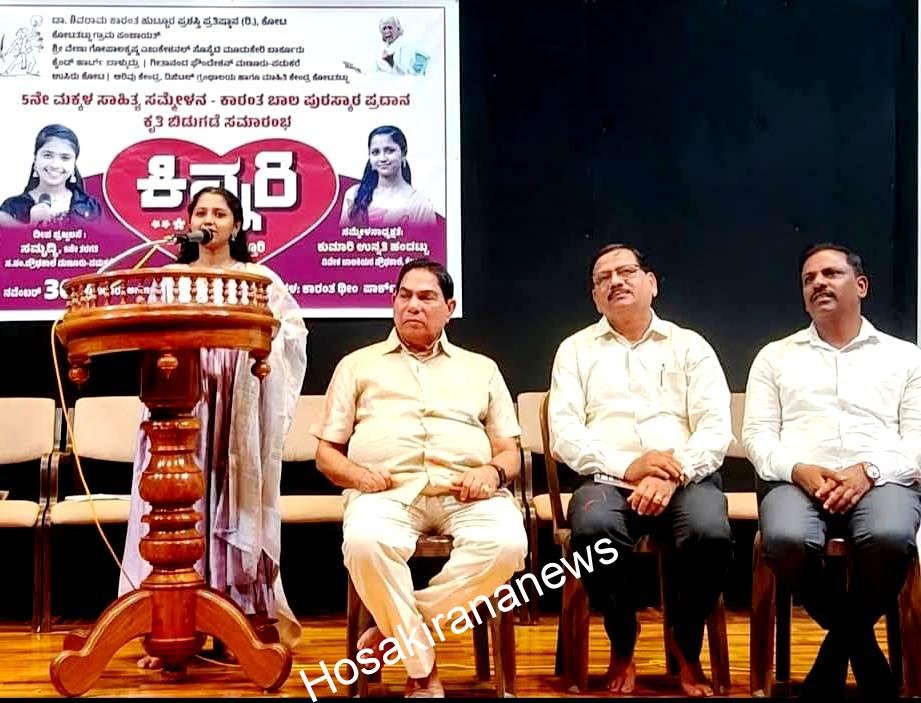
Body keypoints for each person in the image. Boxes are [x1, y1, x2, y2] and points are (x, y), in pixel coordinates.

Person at [311, 257, 527, 698]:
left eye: (427, 297)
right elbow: (326, 455)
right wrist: (358, 475)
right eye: (404, 296)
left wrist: (491, 471)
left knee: (507, 545)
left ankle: (396, 637)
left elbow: (510, 451)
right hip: (386, 493)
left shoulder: (481, 368)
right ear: (393, 302)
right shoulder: (357, 365)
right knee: (365, 542)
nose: (413, 305)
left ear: (449, 308)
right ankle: (421, 668)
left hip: (466, 495)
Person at [118, 186, 308, 669]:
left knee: (231, 496)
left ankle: (235, 622)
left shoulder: (260, 280)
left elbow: (289, 335)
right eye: (200, 212)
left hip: (236, 407)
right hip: (181, 406)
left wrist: (250, 349)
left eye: (219, 213)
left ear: (236, 225)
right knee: (178, 502)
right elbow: (149, 333)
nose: (209, 220)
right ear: (188, 223)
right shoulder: (170, 279)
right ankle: (172, 627)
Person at [548, 243, 733, 697]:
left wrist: (670, 472)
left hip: (685, 478)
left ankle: (685, 643)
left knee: (710, 532)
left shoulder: (690, 346)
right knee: (594, 530)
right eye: (603, 278)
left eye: (626, 271)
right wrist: (628, 466)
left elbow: (715, 428)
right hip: (606, 479)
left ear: (651, 283)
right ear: (595, 297)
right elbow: (565, 433)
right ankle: (622, 637)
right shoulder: (575, 351)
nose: (615, 281)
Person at [742, 243, 921, 698]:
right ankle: (862, 648)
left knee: (889, 537)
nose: (818, 283)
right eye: (809, 279)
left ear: (861, 285)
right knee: (784, 539)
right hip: (798, 481)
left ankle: (834, 655)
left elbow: (918, 440)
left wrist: (870, 470)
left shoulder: (905, 357)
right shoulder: (774, 357)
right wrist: (798, 469)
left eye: (830, 274)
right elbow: (757, 436)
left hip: (882, 479)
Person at [0, 124, 101, 226]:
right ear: (35, 159)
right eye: (48, 155)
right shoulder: (11, 209)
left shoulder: (91, 207)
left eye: (65, 158)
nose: (55, 165)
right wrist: (31, 227)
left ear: (74, 164)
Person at [338, 125, 437, 228]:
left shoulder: (420, 205)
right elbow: (342, 236)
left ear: (403, 154)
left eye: (389, 151)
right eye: (375, 152)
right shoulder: (353, 195)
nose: (382, 158)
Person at [343, 16, 430, 76]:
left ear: (398, 29)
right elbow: (372, 71)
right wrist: (355, 68)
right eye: (384, 28)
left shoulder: (405, 46)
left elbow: (406, 74)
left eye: (390, 27)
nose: (387, 31)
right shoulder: (381, 49)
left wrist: (391, 62)